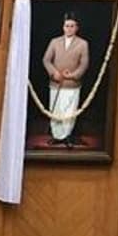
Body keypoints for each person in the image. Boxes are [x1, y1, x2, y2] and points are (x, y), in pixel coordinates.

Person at [42, 13, 90, 147]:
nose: (69, 28)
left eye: (72, 26)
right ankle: (56, 136)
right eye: (66, 26)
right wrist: (54, 73)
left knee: (69, 111)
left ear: (76, 28)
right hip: (56, 83)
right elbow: (46, 60)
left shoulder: (82, 44)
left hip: (72, 85)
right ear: (63, 27)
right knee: (55, 110)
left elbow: (84, 64)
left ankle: (67, 135)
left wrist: (73, 75)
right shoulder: (54, 42)